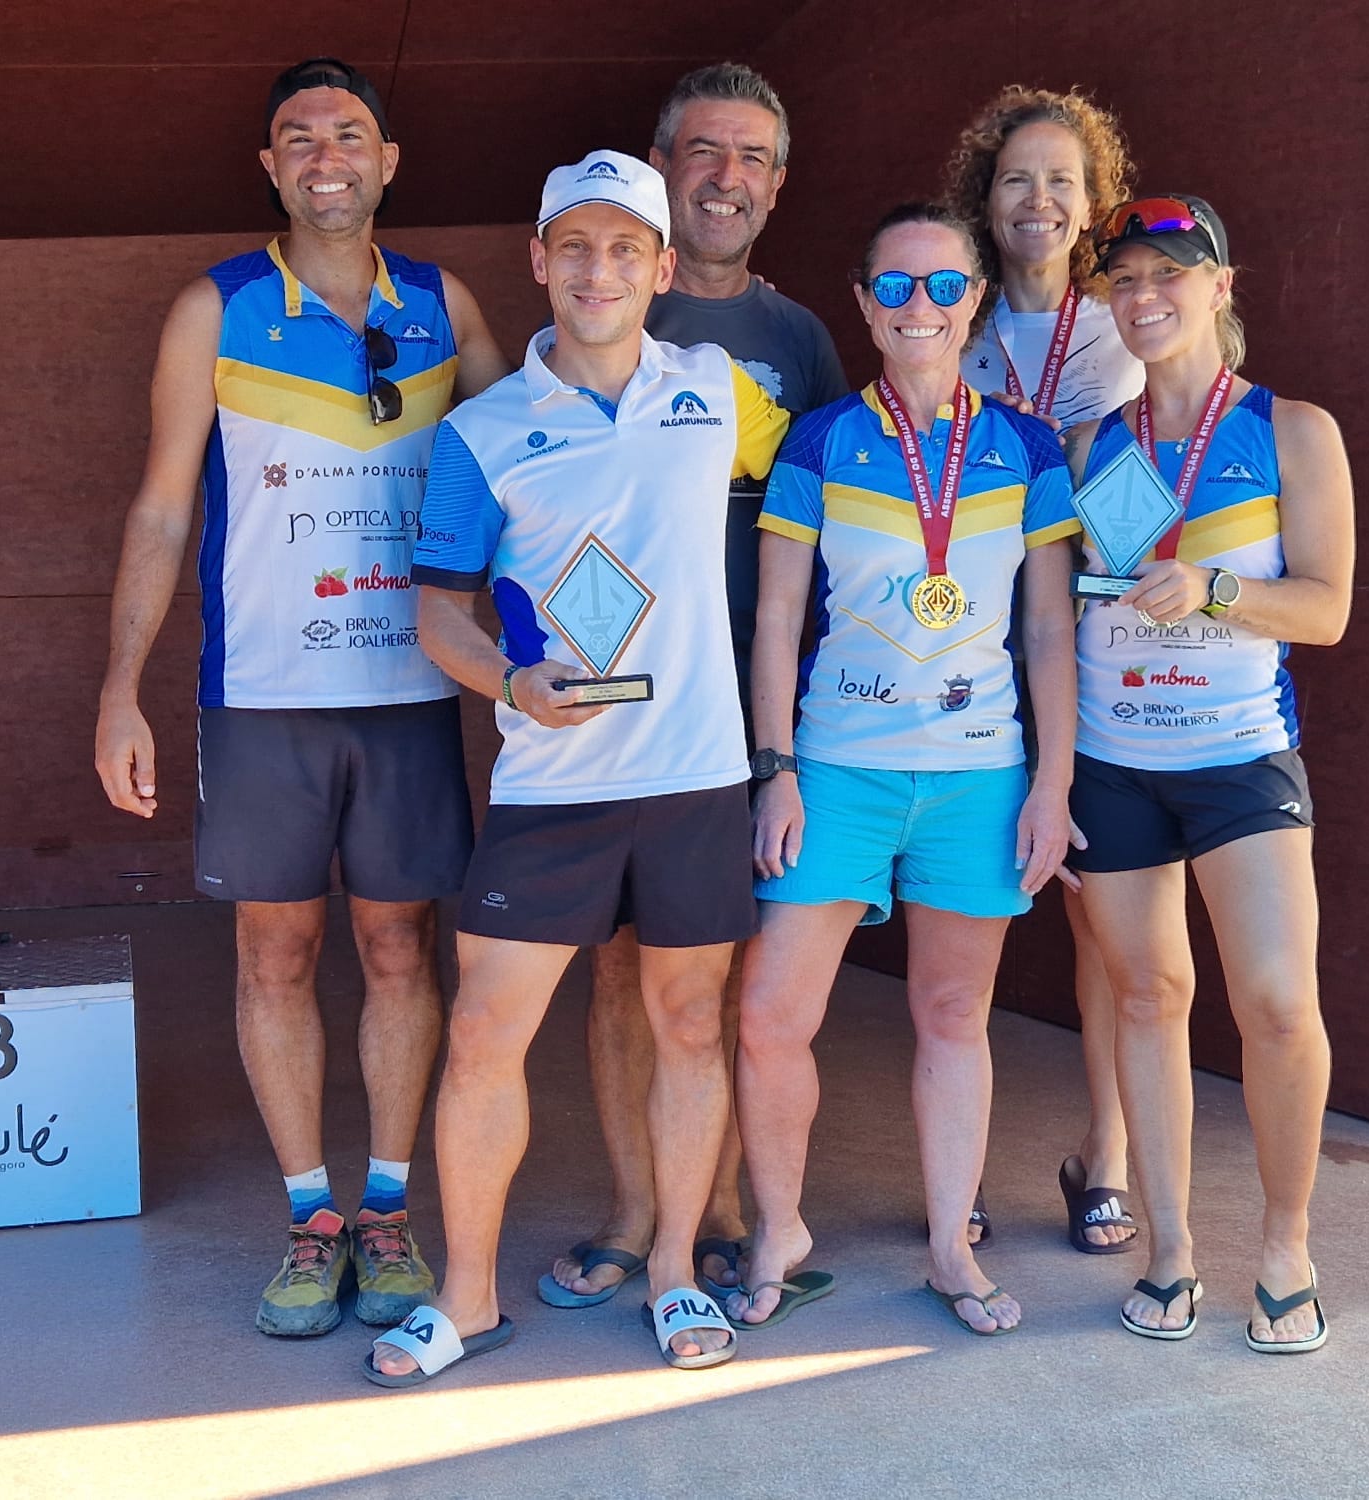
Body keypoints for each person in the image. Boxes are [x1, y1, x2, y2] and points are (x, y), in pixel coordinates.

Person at [92, 57, 509, 1340]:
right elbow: (163, 507)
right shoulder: (214, 309)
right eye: (300, 138)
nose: (327, 156)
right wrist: (119, 689)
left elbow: (535, 477)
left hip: (408, 686)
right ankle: (309, 1220)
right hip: (262, 695)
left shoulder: (443, 304)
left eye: (349, 134)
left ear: (389, 163)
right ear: (271, 169)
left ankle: (385, 1212)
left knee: (397, 948)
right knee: (273, 953)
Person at [361, 150, 789, 1387]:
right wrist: (510, 686)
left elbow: (841, 473)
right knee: (483, 1035)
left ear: (662, 269)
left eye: (624, 250)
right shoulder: (478, 431)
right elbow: (437, 616)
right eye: (575, 246)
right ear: (538, 260)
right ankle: (467, 1299)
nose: (598, 271)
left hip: (696, 774)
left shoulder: (715, 390)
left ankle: (673, 1274)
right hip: (552, 783)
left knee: (688, 1026)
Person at [729, 203, 1077, 1336]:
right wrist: (775, 769)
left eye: (941, 285)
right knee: (770, 1015)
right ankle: (779, 1230)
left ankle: (947, 1249)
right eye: (892, 286)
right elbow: (776, 620)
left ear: (974, 300)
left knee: (952, 1012)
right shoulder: (819, 441)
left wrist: (1053, 784)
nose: (916, 306)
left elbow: (1049, 630)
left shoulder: (1027, 448)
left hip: (980, 773)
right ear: (862, 304)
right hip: (837, 766)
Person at [542, 62, 850, 1312]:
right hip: (620, 698)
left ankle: (714, 1209)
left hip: (752, 705)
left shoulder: (799, 340)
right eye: (705, 153)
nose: (727, 178)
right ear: (662, 167)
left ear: (776, 185)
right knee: (623, 965)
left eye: (753, 159)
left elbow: (844, 521)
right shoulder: (599, 297)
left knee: (721, 966)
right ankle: (635, 1212)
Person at [1059, 196, 1353, 1351]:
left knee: (1276, 1002)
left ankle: (1285, 1247)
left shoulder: (1291, 430)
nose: (1144, 296)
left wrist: (1214, 588)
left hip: (1237, 757)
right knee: (1146, 997)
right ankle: (1169, 1248)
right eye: (1123, 279)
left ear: (1218, 287)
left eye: (1167, 274)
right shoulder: (1089, 443)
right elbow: (1058, 612)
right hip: (1113, 761)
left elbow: (1323, 610)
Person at [941, 86, 1146, 1254]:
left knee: (1099, 922)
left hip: (1100, 653)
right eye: (1016, 177)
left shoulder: (1128, 322)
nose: (1038, 199)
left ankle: (1101, 1153)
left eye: (1061, 179)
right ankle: (955, 1161)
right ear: (984, 198)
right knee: (964, 915)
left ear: (1090, 201)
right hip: (972, 650)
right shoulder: (948, 318)